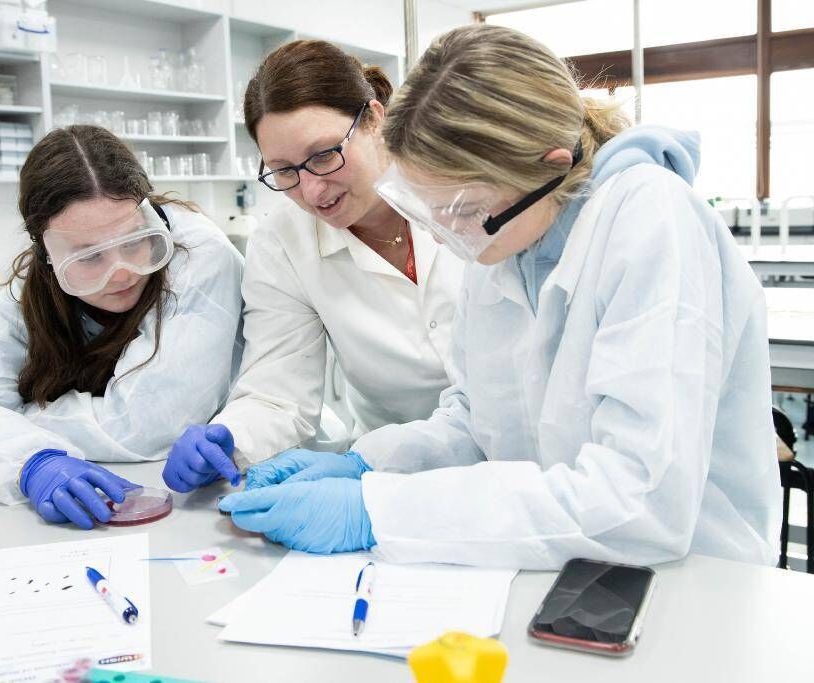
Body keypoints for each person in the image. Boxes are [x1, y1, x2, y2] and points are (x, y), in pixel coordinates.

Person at [219, 25, 781, 569]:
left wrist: (379, 510)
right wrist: (368, 463)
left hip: (695, 580)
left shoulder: (650, 219)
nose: (446, 232)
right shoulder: (508, 234)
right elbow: (476, 419)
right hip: (559, 561)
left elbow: (639, 500)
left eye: (461, 211)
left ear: (549, 168)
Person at [162, 40, 464, 493]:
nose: (312, 190)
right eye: (283, 171)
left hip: (534, 455)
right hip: (393, 473)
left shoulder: (462, 190)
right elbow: (279, 390)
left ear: (374, 120)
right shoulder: (283, 243)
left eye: (324, 155)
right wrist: (231, 438)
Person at [0, 125, 244, 529]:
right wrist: (33, 462)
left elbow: (144, 426)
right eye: (89, 258)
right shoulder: (32, 286)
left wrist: (14, 421)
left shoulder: (198, 255)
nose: (120, 273)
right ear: (47, 253)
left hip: (209, 495)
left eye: (133, 241)